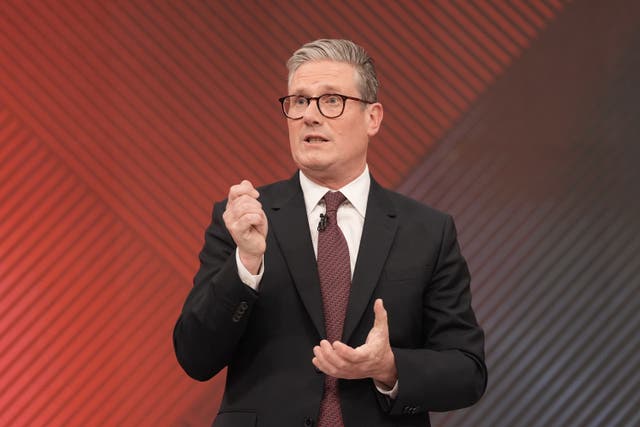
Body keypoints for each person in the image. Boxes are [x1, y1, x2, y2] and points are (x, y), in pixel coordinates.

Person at [173, 39, 487, 427]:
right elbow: (194, 356)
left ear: (373, 118)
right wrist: (246, 264)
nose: (310, 116)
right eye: (299, 101)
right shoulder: (243, 219)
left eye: (332, 100)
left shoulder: (427, 231)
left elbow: (467, 372)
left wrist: (389, 367)